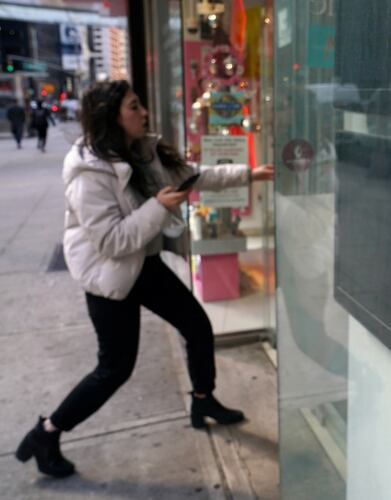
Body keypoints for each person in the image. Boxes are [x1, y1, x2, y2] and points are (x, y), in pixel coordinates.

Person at [14, 80, 275, 478]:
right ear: (112, 118)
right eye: (134, 107)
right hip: (111, 276)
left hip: (144, 263)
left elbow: (193, 177)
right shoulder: (88, 171)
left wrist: (250, 174)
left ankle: (203, 399)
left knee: (198, 326)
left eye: (140, 106)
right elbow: (111, 241)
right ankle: (47, 432)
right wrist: (156, 207)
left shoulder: (141, 151)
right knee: (114, 369)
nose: (144, 113)